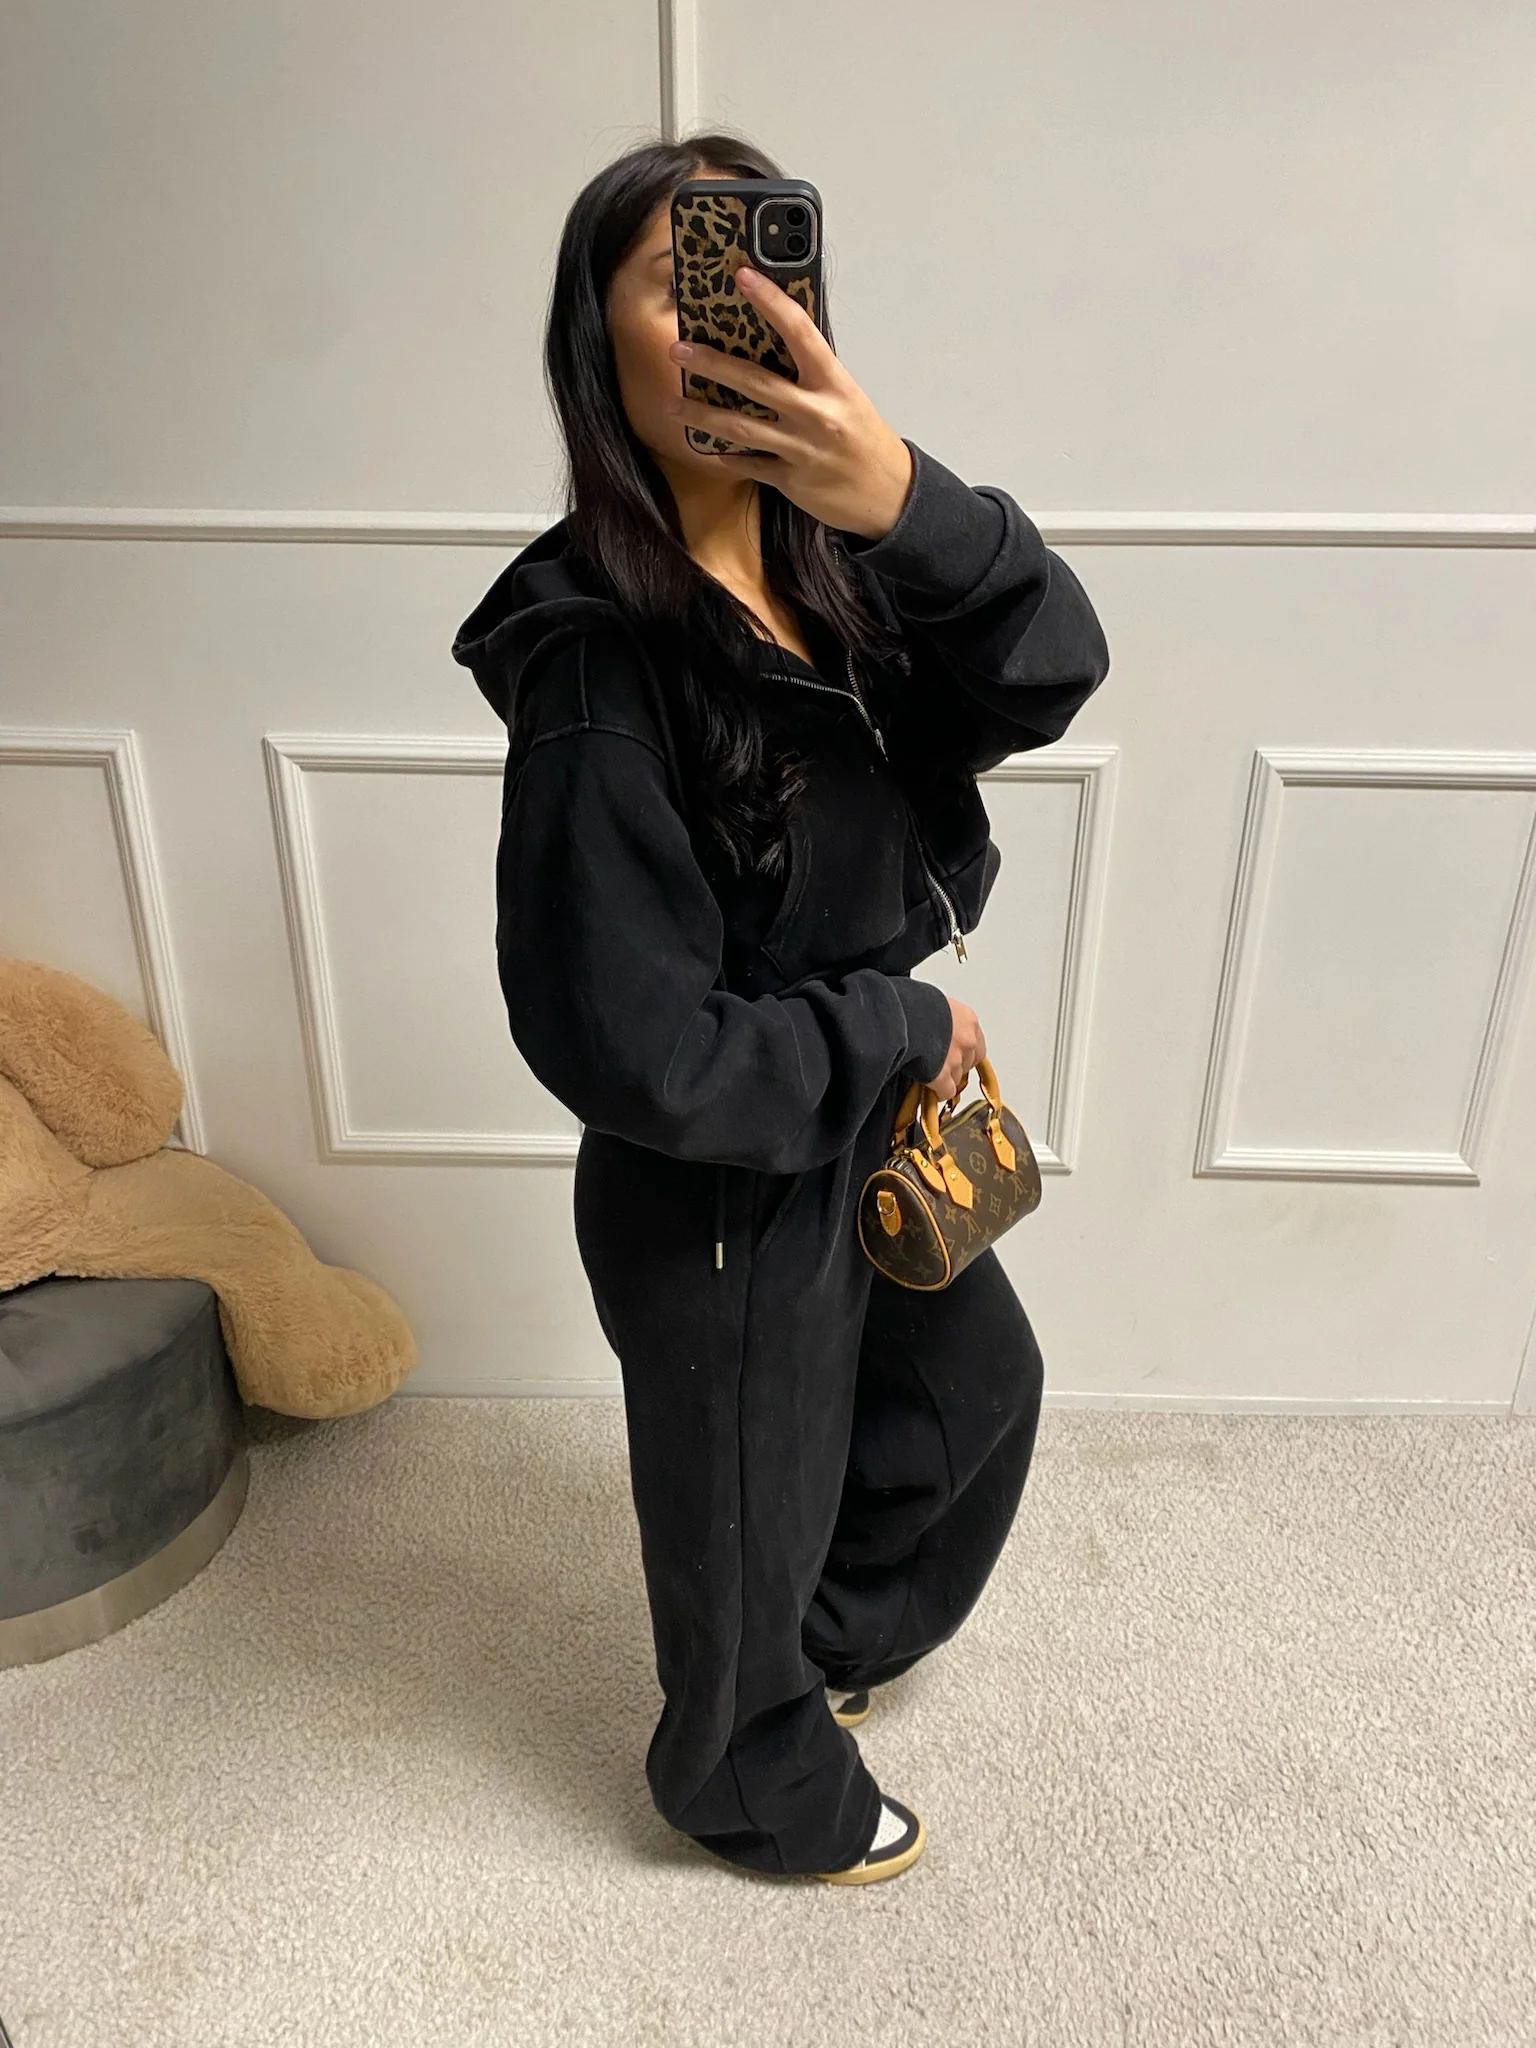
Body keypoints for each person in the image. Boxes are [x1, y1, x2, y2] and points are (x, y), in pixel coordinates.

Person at [451, 132, 1110, 1885]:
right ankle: (749, 1782)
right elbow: (636, 1050)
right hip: (717, 1184)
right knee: (745, 1504)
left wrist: (902, 496)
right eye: (680, 284)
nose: (727, 312)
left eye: (758, 273)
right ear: (600, 341)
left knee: (975, 1393)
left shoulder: (843, 567)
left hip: (856, 1117)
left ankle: (817, 1649)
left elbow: (1056, 667)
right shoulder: (595, 660)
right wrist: (897, 1029)